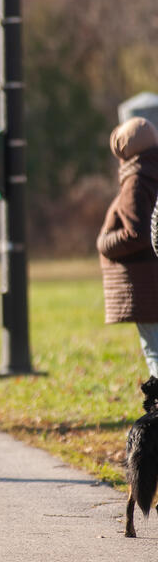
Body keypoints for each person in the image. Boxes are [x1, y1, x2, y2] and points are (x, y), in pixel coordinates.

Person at [97, 116, 158, 380]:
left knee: (154, 348)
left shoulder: (136, 181)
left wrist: (104, 243)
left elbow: (137, 234)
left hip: (146, 283)